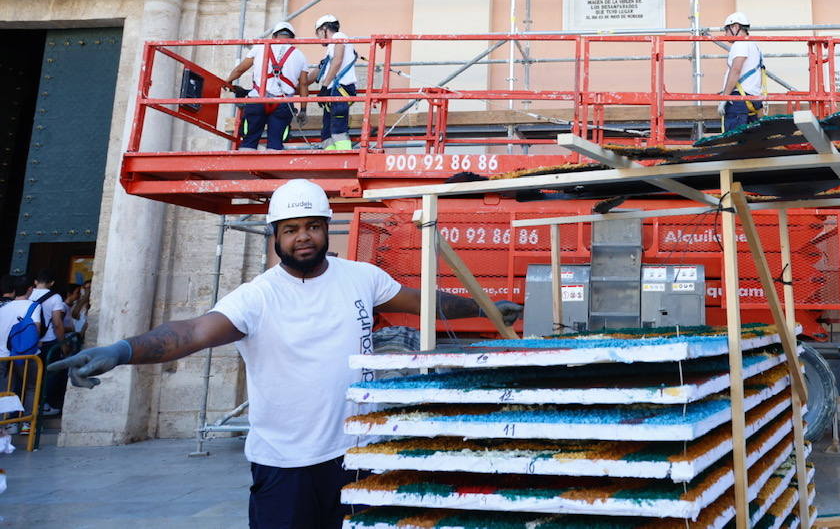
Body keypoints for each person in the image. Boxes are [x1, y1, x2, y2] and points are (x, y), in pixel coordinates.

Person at [51, 178, 522, 529]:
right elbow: (191, 331)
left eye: (314, 227)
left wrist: (485, 306)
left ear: (326, 229)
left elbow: (425, 303)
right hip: (285, 465)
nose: (304, 237)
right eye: (292, 228)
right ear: (276, 234)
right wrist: (122, 349)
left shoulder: (361, 277)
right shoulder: (257, 297)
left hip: (359, 452)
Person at [227, 21, 309, 151]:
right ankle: (272, 166)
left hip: (258, 100)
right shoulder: (300, 56)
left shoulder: (260, 48)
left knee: (250, 140)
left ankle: (245, 165)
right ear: (292, 38)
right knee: (276, 143)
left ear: (274, 36)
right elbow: (304, 84)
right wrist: (303, 110)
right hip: (283, 103)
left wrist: (228, 81)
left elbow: (240, 70)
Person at [310, 14, 359, 151]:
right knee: (327, 132)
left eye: (318, 33)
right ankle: (330, 155)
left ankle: (344, 155)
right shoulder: (330, 49)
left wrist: (324, 87)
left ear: (324, 29)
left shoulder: (338, 37)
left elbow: (337, 61)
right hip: (334, 90)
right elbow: (316, 73)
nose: (318, 37)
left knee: (338, 127)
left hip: (339, 89)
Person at [717, 11, 765, 133]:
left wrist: (725, 97)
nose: (725, 33)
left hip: (739, 100)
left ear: (735, 27)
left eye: (727, 29)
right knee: (752, 141)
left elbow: (736, 70)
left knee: (734, 141)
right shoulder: (754, 45)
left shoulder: (740, 44)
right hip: (753, 99)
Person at [31, 269, 65, 417]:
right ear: (52, 283)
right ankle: (45, 405)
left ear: (35, 282)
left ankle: (28, 408)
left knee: (30, 375)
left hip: (30, 343)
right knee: (51, 372)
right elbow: (57, 322)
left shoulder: (27, 294)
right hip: (49, 341)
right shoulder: (55, 297)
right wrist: (63, 343)